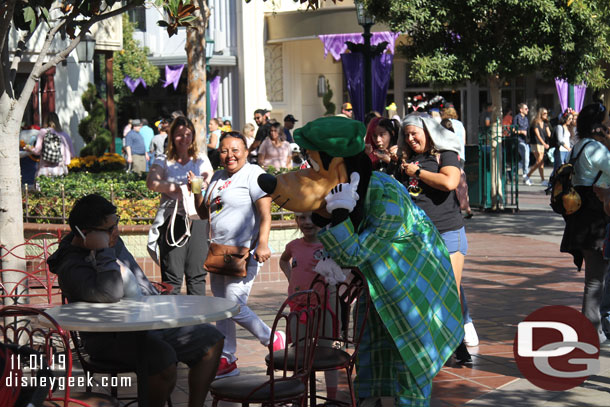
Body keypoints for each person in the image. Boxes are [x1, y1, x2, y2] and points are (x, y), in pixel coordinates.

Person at [47, 194, 224, 407]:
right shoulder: (71, 266)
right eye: (110, 228)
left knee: (211, 338)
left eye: (117, 223)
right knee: (162, 359)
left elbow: (137, 284)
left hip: (146, 324)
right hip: (109, 338)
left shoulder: (110, 239)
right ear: (85, 234)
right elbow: (110, 293)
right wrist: (104, 250)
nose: (116, 232)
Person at [193, 132, 285, 379]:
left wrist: (263, 244)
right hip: (219, 252)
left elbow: (266, 214)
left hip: (245, 252)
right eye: (224, 150)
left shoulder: (253, 174)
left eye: (235, 149)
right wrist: (197, 191)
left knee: (232, 305)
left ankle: (272, 337)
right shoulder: (218, 177)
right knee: (222, 307)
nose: (229, 155)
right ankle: (227, 357)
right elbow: (204, 214)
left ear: (246, 151)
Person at [396, 113, 476, 363]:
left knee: (448, 291)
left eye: (414, 133)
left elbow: (449, 181)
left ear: (427, 132)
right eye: (406, 135)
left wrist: (417, 172)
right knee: (426, 292)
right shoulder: (407, 159)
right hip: (419, 236)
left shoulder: (445, 153)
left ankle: (457, 343)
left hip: (448, 231)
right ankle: (437, 344)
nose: (410, 139)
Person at [560, 102, 610, 344]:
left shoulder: (578, 147)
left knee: (596, 276)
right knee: (595, 278)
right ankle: (591, 331)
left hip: (580, 218)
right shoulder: (597, 149)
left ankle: (595, 327)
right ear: (597, 124)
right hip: (595, 219)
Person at [147, 116, 213, 296]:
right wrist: (177, 188)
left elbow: (208, 178)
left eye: (188, 134)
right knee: (172, 279)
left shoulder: (200, 159)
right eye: (179, 135)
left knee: (197, 275)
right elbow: (152, 182)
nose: (184, 139)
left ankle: (198, 322)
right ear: (171, 136)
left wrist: (197, 184)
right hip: (172, 220)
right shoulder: (163, 159)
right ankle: (172, 323)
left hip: (197, 218)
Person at [279, 211, 339, 400]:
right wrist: (290, 277)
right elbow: (283, 260)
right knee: (299, 355)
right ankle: (300, 397)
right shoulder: (294, 246)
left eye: (312, 217)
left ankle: (331, 398)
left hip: (324, 308)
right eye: (301, 217)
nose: (307, 222)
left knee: (328, 353)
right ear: (296, 220)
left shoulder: (329, 245)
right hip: (298, 308)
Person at [26, 112, 75, 178]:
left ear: (46, 121)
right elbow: (72, 155)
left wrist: (29, 148)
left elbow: (37, 151)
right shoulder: (65, 135)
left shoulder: (43, 132)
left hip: (45, 169)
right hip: (61, 170)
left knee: (44, 187)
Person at [526, 107, 551, 186]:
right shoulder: (535, 123)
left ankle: (542, 180)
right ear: (540, 114)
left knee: (541, 162)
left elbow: (549, 134)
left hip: (542, 143)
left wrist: (548, 124)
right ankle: (527, 176)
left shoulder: (545, 123)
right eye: (544, 113)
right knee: (540, 161)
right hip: (535, 143)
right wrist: (544, 144)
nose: (546, 115)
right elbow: (538, 135)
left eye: (547, 113)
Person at [513, 103, 531, 185]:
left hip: (526, 141)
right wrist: (521, 132)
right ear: (521, 110)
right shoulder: (517, 118)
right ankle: (525, 176)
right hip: (519, 140)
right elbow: (513, 130)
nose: (528, 110)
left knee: (525, 159)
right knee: (526, 158)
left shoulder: (526, 119)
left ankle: (512, 171)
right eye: (526, 109)